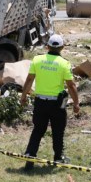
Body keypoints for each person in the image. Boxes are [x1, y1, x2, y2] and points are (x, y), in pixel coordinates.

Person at [20, 34, 80, 169]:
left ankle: (30, 155)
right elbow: (71, 85)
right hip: (57, 105)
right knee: (58, 131)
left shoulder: (37, 60)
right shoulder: (64, 63)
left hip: (40, 102)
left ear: (47, 47)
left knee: (38, 130)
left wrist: (23, 96)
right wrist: (76, 103)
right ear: (62, 48)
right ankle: (58, 157)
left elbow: (29, 79)